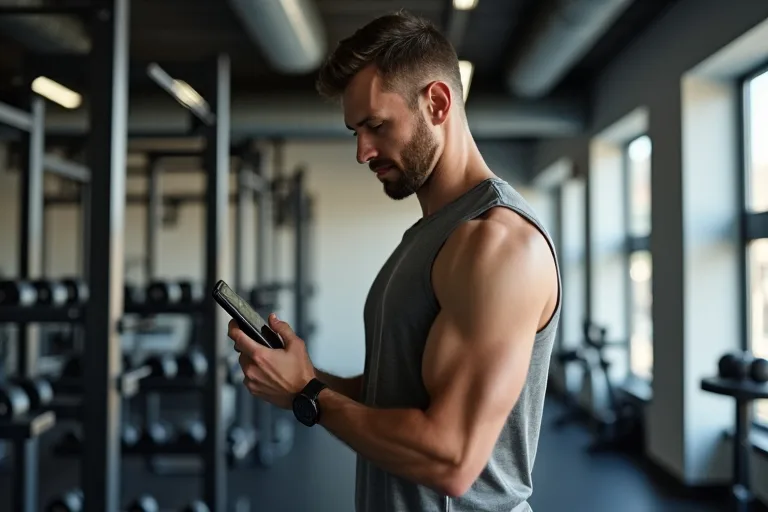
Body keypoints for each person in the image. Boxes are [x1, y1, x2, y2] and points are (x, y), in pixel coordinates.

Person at [229, 10, 561, 512]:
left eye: (376, 126)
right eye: (354, 132)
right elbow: (396, 394)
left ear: (437, 103)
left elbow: (452, 459)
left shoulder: (498, 244)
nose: (362, 152)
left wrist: (309, 395)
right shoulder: (432, 235)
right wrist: (303, 377)